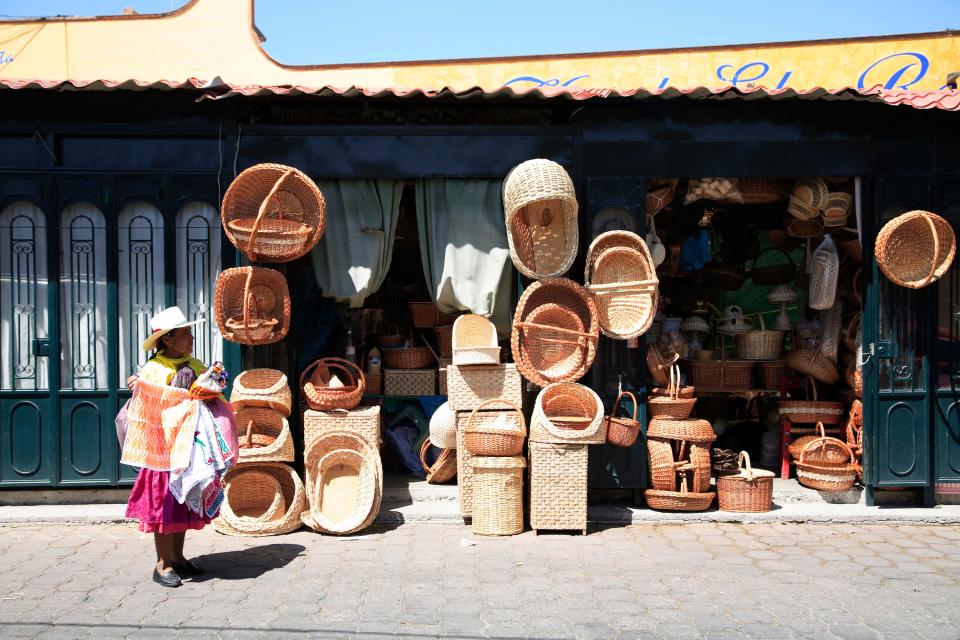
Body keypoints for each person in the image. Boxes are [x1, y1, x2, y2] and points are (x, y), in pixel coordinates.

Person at [124, 306, 237, 588]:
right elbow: (152, 407)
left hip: (188, 447)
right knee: (163, 505)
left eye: (189, 332)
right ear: (168, 340)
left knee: (183, 502)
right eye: (185, 334)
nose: (191, 337)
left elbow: (211, 389)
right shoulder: (154, 369)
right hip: (163, 451)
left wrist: (214, 382)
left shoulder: (195, 364)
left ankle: (178, 556)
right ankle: (162, 563)